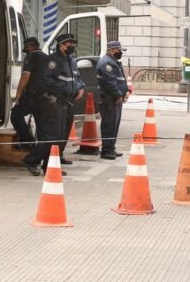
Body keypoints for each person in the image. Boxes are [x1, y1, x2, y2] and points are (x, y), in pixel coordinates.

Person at [25, 33, 83, 176]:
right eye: (69, 44)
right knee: (52, 136)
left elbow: (77, 78)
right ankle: (32, 159)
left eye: (73, 44)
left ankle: (49, 166)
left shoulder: (71, 61)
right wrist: (64, 89)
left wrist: (80, 87)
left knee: (60, 136)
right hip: (53, 102)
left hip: (65, 103)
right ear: (61, 45)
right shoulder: (52, 61)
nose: (72, 46)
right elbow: (46, 81)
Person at [97, 41, 129, 159]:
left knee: (114, 124)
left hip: (115, 98)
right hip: (109, 99)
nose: (120, 53)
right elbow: (110, 83)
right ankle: (106, 150)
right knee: (109, 124)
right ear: (111, 50)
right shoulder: (107, 63)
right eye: (118, 50)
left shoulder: (114, 62)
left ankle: (111, 148)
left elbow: (120, 80)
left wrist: (125, 92)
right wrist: (118, 95)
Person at [12, 37, 45, 154]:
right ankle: (41, 150)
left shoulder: (31, 57)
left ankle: (28, 142)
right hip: (44, 97)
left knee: (15, 115)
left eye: (26, 48)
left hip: (32, 96)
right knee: (41, 126)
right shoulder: (46, 57)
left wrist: (18, 94)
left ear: (31, 46)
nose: (26, 51)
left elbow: (25, 77)